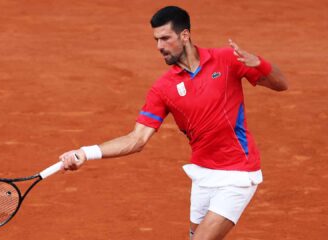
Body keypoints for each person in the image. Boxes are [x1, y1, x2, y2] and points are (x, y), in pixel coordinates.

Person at [59, 6, 288, 240]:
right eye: (156, 40)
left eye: (165, 38)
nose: (159, 46)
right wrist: (86, 153)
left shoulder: (227, 60)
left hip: (238, 173)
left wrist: (259, 63)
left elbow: (281, 84)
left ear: (185, 36)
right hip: (203, 175)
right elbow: (137, 139)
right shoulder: (163, 88)